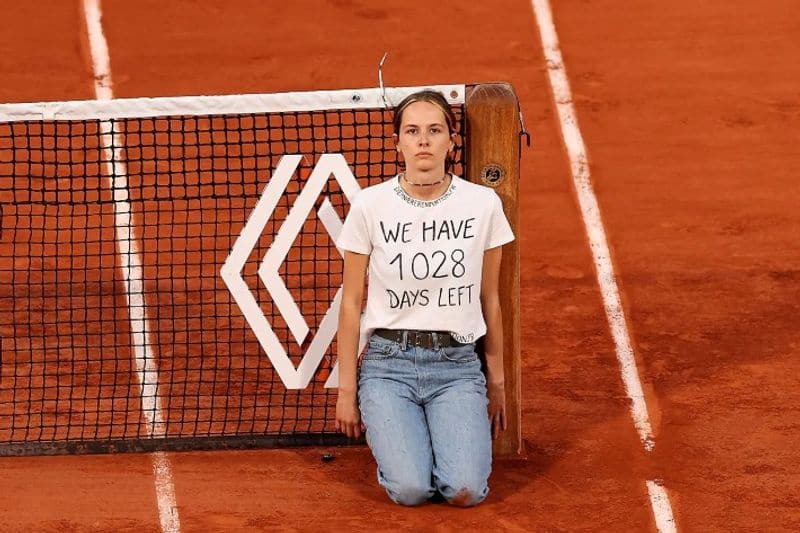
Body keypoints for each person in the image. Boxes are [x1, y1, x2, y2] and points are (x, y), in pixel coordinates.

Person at [334, 89, 515, 507]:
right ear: (397, 141)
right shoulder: (370, 205)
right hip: (386, 365)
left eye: (435, 130)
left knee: (466, 492)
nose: (423, 140)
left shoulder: (482, 205)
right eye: (412, 131)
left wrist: (498, 382)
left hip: (457, 367)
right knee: (411, 490)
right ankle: (404, 443)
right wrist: (347, 391)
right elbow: (350, 302)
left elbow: (491, 299)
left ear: (451, 141)